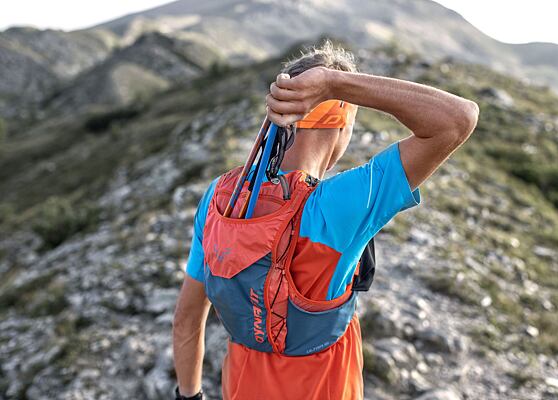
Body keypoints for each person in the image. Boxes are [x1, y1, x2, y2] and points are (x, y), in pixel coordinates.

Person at [172, 41, 479, 400]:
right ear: (341, 126)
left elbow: (187, 318)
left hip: (242, 385)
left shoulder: (221, 197)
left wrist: (189, 395)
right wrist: (336, 84)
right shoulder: (340, 205)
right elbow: (458, 118)